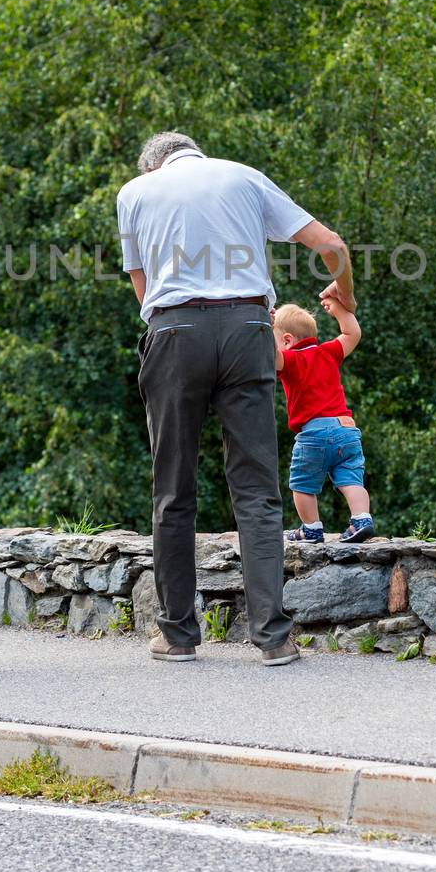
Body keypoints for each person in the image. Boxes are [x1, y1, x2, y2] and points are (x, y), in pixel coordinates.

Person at [117, 131, 356, 665]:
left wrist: (173, 319)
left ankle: (177, 634)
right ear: (195, 151)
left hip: (174, 332)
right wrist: (345, 295)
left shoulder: (135, 192)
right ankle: (272, 637)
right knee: (256, 487)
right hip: (251, 328)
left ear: (154, 163)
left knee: (172, 490)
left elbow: (142, 284)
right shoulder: (244, 177)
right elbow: (332, 247)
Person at [273, 297, 375, 544]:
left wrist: (264, 325)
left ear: (287, 340)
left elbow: (269, 356)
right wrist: (340, 310)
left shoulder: (292, 361)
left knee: (302, 483)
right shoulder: (328, 352)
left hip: (315, 434)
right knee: (350, 479)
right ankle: (362, 519)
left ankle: (310, 528)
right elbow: (352, 333)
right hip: (347, 431)